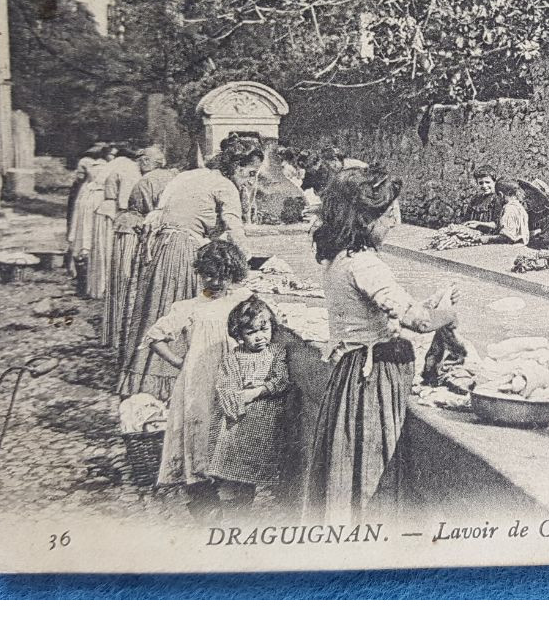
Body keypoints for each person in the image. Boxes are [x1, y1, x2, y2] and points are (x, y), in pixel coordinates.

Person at [305, 166, 460, 522]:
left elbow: (389, 310)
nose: (396, 223)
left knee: (348, 461)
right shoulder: (366, 265)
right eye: (390, 215)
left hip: (350, 373)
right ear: (364, 218)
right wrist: (448, 314)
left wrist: (429, 305)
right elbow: (418, 322)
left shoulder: (337, 258)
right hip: (371, 382)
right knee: (372, 469)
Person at [119, 137, 264, 398]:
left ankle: (144, 382)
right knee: (188, 311)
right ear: (237, 166)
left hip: (162, 247)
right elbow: (234, 228)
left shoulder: (189, 176)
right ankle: (175, 382)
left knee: (158, 309)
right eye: (249, 174)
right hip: (185, 250)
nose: (250, 181)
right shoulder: (224, 185)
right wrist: (248, 264)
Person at [142, 242, 254, 518]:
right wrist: (182, 363)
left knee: (233, 429)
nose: (215, 282)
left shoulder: (243, 302)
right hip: (199, 383)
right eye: (208, 275)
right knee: (201, 431)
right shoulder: (189, 307)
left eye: (222, 276)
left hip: (234, 380)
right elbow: (154, 337)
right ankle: (203, 497)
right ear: (200, 274)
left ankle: (237, 491)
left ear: (234, 275)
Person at [206, 297, 291, 510]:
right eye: (251, 333)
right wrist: (236, 403)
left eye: (264, 329)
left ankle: (243, 507)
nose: (260, 337)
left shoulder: (276, 353)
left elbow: (281, 381)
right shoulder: (233, 358)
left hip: (262, 423)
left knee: (249, 474)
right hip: (237, 423)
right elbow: (226, 388)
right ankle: (229, 507)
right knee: (229, 471)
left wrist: (254, 392)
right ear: (239, 335)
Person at [113, 147, 177, 365]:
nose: (139, 165)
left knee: (139, 294)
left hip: (149, 239)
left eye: (141, 161)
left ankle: (135, 353)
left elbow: (138, 210)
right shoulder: (175, 177)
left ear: (148, 162)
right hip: (172, 240)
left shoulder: (145, 182)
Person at [95, 144, 142, 347]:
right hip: (121, 217)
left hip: (114, 213)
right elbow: (124, 202)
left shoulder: (123, 166)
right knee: (123, 273)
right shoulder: (130, 170)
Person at [67, 144, 112, 290]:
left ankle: (82, 278)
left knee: (83, 233)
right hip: (99, 199)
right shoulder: (109, 166)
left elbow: (79, 180)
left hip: (86, 197)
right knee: (94, 234)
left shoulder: (88, 164)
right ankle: (93, 278)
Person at [517, 178, 549, 250]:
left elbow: (548, 239)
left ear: (541, 200)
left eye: (530, 198)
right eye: (526, 197)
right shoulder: (527, 214)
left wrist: (530, 235)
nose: (526, 201)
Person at [484, 179, 531, 244]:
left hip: (512, 247)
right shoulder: (520, 207)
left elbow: (507, 237)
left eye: (497, 196)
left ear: (500, 195)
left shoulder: (509, 209)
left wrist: (486, 238)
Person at [462, 166, 503, 230]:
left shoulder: (498, 199)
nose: (484, 186)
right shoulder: (475, 199)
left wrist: (479, 224)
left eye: (487, 182)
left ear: (494, 182)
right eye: (481, 183)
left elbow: (498, 224)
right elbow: (466, 219)